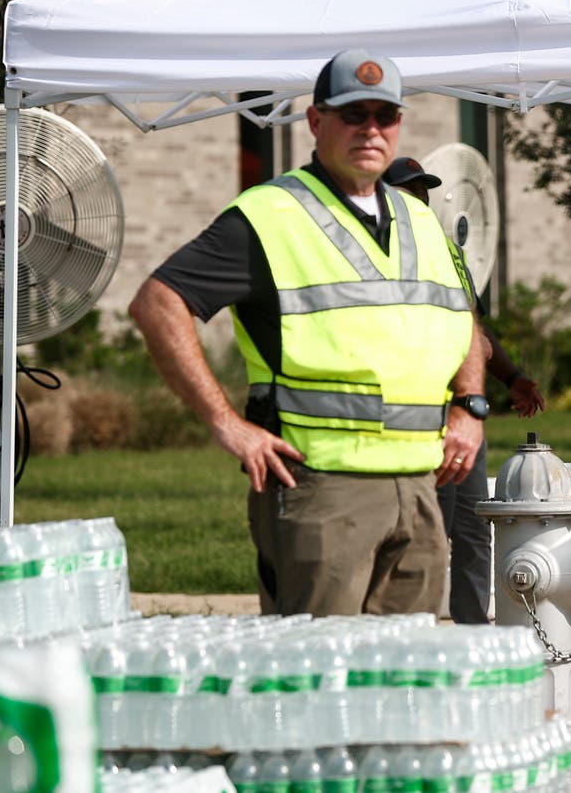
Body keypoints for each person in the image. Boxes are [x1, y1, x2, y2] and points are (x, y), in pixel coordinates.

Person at [128, 49, 487, 617]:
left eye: (385, 116)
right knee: (319, 667)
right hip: (321, 488)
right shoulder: (268, 215)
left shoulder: (420, 219)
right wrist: (227, 425)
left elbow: (459, 313)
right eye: (353, 114)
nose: (371, 129)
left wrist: (470, 405)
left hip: (421, 486)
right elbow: (158, 303)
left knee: (408, 666)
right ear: (316, 121)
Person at [383, 155, 546, 623]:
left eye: (424, 190)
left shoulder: (449, 252)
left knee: (473, 524)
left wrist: (512, 378)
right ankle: (415, 626)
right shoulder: (382, 252)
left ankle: (471, 629)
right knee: (426, 525)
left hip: (464, 409)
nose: (420, 198)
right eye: (409, 190)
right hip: (415, 410)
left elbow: (475, 329)